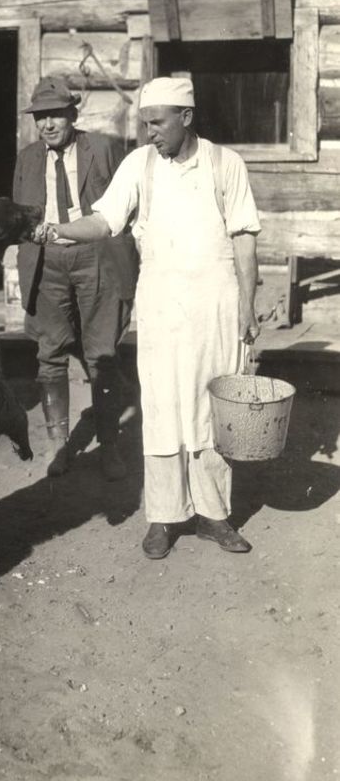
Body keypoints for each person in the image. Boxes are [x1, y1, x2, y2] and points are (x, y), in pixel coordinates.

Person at [34, 76, 261, 556]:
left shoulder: (226, 164)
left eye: (157, 123)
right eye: (144, 123)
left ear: (186, 117)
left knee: (211, 407)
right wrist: (56, 231)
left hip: (216, 304)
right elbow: (105, 220)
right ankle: (164, 516)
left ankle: (214, 514)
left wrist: (247, 306)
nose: (149, 132)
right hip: (161, 303)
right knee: (160, 407)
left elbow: (244, 238)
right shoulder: (140, 165)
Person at [13, 75, 137, 480]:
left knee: (102, 354)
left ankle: (110, 446)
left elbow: (126, 208)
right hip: (47, 261)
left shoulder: (102, 148)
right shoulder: (28, 158)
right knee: (50, 354)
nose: (47, 124)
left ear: (73, 114)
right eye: (40, 117)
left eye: (56, 115)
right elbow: (19, 214)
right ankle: (58, 446)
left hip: (95, 257)